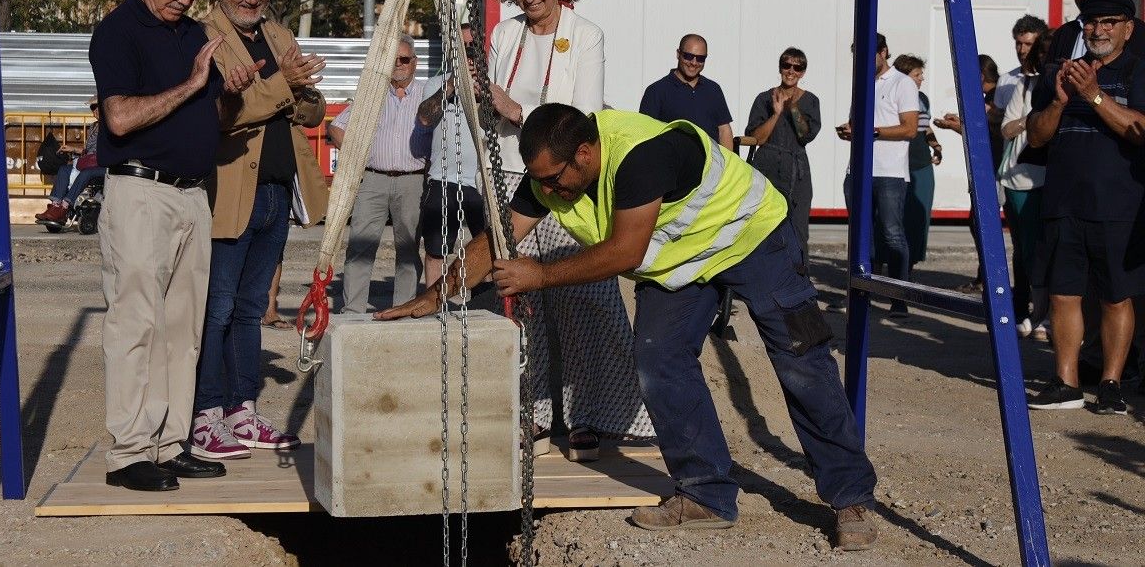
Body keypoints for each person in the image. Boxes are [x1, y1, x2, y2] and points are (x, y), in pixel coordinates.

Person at [377, 104, 879, 550]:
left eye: (554, 178)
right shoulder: (548, 176)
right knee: (658, 359)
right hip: (682, 262)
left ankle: (851, 497)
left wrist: (540, 274)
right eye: (540, 181)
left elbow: (624, 252)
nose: (546, 190)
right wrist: (435, 295)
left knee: (801, 361)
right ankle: (705, 494)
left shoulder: (641, 156)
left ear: (586, 152)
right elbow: (494, 241)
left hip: (751, 234)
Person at [481, 0, 652, 459]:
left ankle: (590, 414)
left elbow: (580, 116)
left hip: (563, 183)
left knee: (585, 298)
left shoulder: (586, 34)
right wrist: (489, 102)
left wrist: (513, 111)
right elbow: (486, 108)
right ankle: (531, 412)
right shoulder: (503, 36)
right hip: (509, 177)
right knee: (521, 301)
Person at [89, 0, 238, 490]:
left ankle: (171, 441)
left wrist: (227, 93)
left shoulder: (193, 30)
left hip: (191, 194)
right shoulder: (117, 32)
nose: (183, 0)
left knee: (183, 327)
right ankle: (129, 451)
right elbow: (121, 118)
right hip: (140, 193)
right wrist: (193, 83)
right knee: (135, 323)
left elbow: (209, 115)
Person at [191, 0, 329, 460]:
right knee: (218, 308)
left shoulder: (277, 34)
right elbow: (224, 115)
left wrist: (301, 91)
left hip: (275, 190)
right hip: (230, 190)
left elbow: (309, 111)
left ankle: (242, 408)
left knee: (253, 309)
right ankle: (206, 413)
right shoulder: (205, 37)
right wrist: (283, 86)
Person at [1025, 0, 1145, 415]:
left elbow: (1139, 131)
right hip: (1063, 202)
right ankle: (1066, 381)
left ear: (1128, 29)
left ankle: (1111, 383)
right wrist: (1059, 101)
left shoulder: (1137, 70)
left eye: (1110, 22)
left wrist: (1093, 95)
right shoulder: (1060, 71)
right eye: (1092, 23)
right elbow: (1036, 137)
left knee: (1115, 297)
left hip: (1119, 205)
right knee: (1063, 293)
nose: (1100, 30)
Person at [328, 34, 426, 313]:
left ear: (414, 63)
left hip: (413, 181)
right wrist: (357, 155)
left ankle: (403, 308)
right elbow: (336, 126)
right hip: (373, 179)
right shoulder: (372, 93)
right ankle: (353, 310)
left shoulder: (427, 93)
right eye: (392, 60)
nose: (398, 65)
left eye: (404, 59)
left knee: (407, 250)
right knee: (360, 244)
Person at [835, 33, 919, 318]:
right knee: (861, 237)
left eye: (868, 54)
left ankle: (899, 299)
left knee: (893, 235)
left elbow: (909, 128)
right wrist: (850, 130)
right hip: (858, 170)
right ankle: (861, 296)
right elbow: (859, 125)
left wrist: (873, 131)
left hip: (890, 173)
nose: (863, 62)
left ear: (884, 52)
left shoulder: (903, 83)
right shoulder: (862, 84)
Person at [412, 23, 487, 287]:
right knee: (437, 250)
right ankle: (434, 301)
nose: (468, 54)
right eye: (462, 48)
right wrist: (453, 85)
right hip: (443, 179)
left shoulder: (492, 85)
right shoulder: (436, 83)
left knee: (487, 247)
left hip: (480, 181)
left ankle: (485, 303)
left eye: (472, 47)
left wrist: (483, 96)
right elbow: (424, 118)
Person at [998, 25, 1051, 341]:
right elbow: (1007, 129)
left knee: (1053, 252)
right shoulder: (1023, 84)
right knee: (1027, 250)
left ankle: (1045, 313)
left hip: (1058, 179)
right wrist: (1036, 122)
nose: (1027, 51)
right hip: (1022, 179)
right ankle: (1034, 311)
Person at [744, 47, 822, 253]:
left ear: (803, 72)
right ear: (780, 68)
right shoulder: (764, 99)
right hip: (767, 165)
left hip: (797, 171)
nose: (791, 71)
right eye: (786, 65)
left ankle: (800, 279)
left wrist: (793, 106)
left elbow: (806, 135)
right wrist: (776, 114)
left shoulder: (811, 101)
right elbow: (757, 138)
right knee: (762, 225)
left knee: (798, 229)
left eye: (797, 68)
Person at [936, 55, 1002, 294]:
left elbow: (983, 132)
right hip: (988, 168)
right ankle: (983, 275)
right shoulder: (994, 97)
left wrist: (955, 126)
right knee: (977, 223)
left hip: (993, 170)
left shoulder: (996, 99)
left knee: (981, 223)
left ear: (980, 76)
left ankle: (988, 277)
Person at [890, 55, 944, 274]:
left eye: (921, 74)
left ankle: (909, 269)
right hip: (898, 163)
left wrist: (936, 146)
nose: (921, 79)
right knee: (893, 219)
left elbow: (925, 127)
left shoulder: (922, 98)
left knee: (918, 219)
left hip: (921, 164)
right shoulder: (893, 96)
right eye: (916, 75)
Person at [640, 34, 735, 150]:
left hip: (711, 164)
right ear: (678, 54)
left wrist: (728, 165)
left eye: (700, 58)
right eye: (689, 56)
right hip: (673, 164)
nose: (694, 63)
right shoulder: (656, 91)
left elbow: (724, 130)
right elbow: (645, 135)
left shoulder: (713, 89)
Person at [35, 96, 105, 226]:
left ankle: (65, 206)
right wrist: (72, 148)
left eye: (97, 107)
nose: (94, 111)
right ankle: (56, 206)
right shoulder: (93, 126)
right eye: (92, 108)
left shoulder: (112, 126)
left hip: (105, 164)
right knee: (63, 169)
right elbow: (87, 150)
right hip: (90, 162)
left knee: (86, 173)